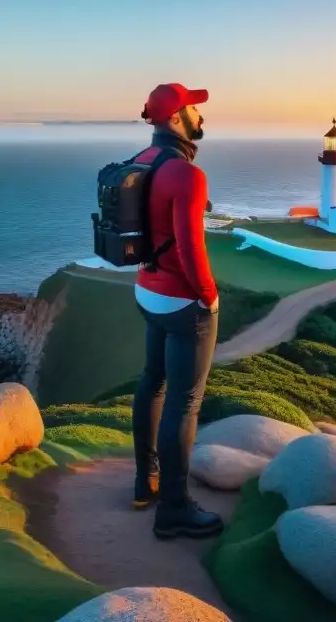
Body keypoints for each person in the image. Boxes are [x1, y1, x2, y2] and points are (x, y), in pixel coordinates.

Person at [130, 82, 222, 540]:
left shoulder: (140, 163)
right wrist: (210, 294)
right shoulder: (186, 175)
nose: (200, 117)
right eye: (193, 109)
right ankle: (174, 508)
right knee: (183, 403)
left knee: (152, 382)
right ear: (174, 118)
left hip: (146, 291)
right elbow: (190, 249)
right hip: (183, 301)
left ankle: (144, 481)